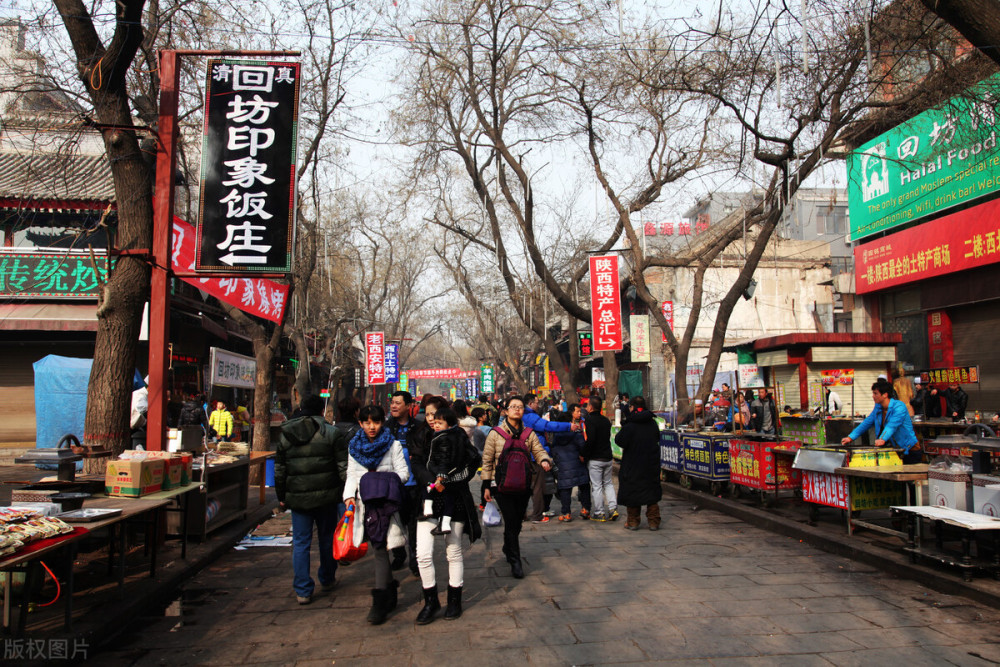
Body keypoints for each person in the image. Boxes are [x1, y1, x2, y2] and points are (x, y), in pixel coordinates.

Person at [275, 394, 349, 605]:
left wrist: (281, 497)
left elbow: (280, 471)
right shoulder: (331, 433)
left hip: (298, 499)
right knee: (326, 539)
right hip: (326, 497)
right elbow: (343, 468)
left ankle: (303, 590)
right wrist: (347, 494)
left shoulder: (285, 434)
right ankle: (327, 578)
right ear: (320, 411)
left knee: (300, 543)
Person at [411, 405, 481, 623]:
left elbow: (474, 461)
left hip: (454, 498)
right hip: (429, 497)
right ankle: (431, 600)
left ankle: (454, 599)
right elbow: (416, 463)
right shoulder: (421, 436)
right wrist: (431, 480)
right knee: (422, 553)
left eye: (436, 416)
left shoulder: (458, 437)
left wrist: (455, 480)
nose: (432, 420)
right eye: (429, 415)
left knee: (453, 551)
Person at [343, 405, 409, 625]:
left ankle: (379, 602)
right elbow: (352, 474)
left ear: (383, 421)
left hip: (386, 505)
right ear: (360, 423)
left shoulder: (394, 445)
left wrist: (379, 484)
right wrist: (349, 496)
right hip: (364, 505)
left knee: (381, 548)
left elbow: (403, 473)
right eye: (367, 422)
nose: (372, 427)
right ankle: (389, 589)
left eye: (377, 421)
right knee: (377, 547)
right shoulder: (354, 446)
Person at [481, 395, 552, 579]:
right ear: (505, 410)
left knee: (517, 521)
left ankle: (508, 546)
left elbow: (539, 450)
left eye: (520, 406)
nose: (517, 409)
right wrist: (486, 486)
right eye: (513, 406)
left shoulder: (529, 433)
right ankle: (515, 560)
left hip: (523, 484)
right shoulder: (495, 434)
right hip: (501, 486)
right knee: (512, 521)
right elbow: (487, 461)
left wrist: (544, 460)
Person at [522, 393, 579, 523]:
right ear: (530, 404)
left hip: (527, 454)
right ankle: (537, 515)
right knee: (537, 487)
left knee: (526, 486)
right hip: (535, 455)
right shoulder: (530, 416)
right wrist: (567, 426)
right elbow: (547, 426)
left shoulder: (523, 416)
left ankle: (523, 514)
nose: (538, 404)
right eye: (536, 402)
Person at [387, 390, 425, 576]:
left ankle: (415, 560)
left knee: (413, 523)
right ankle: (399, 554)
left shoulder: (418, 427)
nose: (394, 406)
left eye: (398, 403)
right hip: (393, 483)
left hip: (413, 483)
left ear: (409, 406)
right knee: (395, 520)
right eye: (392, 402)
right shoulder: (386, 428)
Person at [841, 379, 921, 464]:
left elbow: (892, 426)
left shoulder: (899, 407)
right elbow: (867, 422)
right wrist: (850, 437)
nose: (873, 396)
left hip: (910, 449)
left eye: (875, 393)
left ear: (885, 395)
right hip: (896, 449)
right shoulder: (878, 407)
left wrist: (882, 439)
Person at [615, 396, 663, 531]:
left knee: (633, 493)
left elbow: (619, 440)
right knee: (651, 493)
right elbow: (657, 438)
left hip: (633, 464)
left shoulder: (630, 426)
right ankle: (654, 522)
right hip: (650, 463)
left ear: (632, 408)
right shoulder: (652, 423)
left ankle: (633, 522)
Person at [549, 407, 591, 522]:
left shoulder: (556, 437)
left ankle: (566, 513)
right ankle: (586, 509)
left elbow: (554, 451)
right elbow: (583, 446)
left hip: (563, 466)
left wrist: (557, 461)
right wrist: (583, 455)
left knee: (565, 490)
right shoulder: (576, 434)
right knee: (584, 486)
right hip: (578, 464)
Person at [583, 396, 617, 522]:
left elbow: (590, 440)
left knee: (597, 486)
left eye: (587, 405)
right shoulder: (606, 421)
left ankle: (599, 512)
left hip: (595, 458)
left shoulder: (590, 420)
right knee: (608, 484)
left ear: (591, 407)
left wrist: (584, 453)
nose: (586, 408)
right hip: (607, 456)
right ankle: (613, 509)